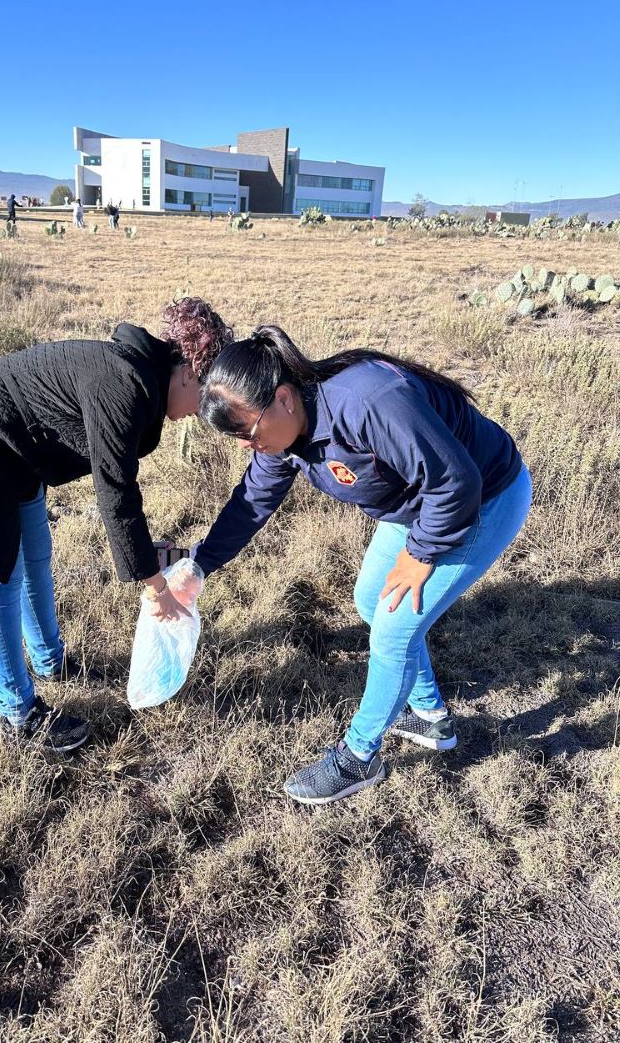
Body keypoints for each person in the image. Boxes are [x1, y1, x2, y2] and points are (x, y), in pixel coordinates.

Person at [194, 326, 531, 805]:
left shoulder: (369, 401)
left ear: (285, 399)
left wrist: (420, 555)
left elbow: (455, 483)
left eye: (249, 432)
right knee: (371, 600)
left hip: (480, 499)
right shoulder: (283, 439)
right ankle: (429, 716)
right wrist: (201, 565)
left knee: (393, 630)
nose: (249, 446)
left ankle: (358, 758)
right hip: (420, 507)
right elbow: (253, 499)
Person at [0, 299, 232, 754]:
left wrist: (153, 562)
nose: (201, 412)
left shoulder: (140, 376)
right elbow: (117, 494)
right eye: (206, 396)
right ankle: (16, 714)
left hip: (17, 452)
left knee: (35, 556)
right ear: (187, 370)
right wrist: (154, 586)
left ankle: (50, 661)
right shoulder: (124, 384)